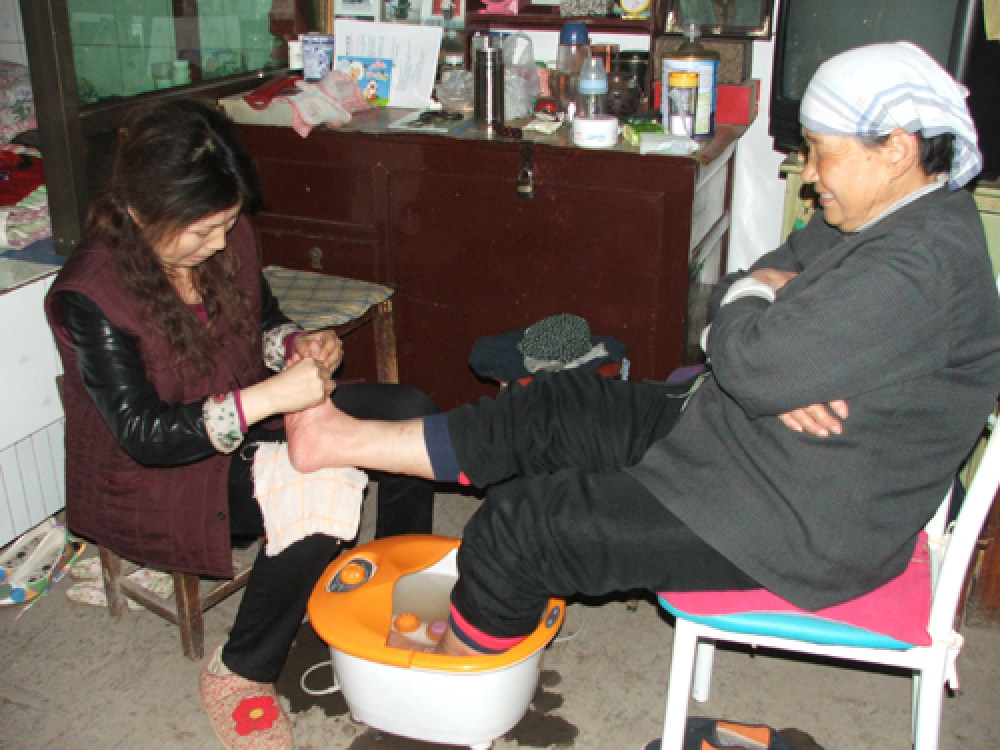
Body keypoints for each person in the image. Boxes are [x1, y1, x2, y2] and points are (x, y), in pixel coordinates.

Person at [285, 39, 1000, 663]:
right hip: (744, 439)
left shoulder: (923, 267)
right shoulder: (879, 215)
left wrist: (762, 342)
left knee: (519, 531)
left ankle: (441, 696)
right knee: (552, 407)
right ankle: (339, 439)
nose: (809, 175)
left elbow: (748, 353)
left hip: (790, 518)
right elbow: (753, 291)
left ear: (897, 148)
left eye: (821, 151)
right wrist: (764, 329)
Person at [44, 98, 438, 750]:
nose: (221, 243)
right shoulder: (93, 293)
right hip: (159, 473)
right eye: (202, 231)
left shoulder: (225, 238)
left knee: (411, 415)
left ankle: (392, 583)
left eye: (228, 224)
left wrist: (299, 344)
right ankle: (239, 671)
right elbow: (143, 435)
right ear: (141, 212)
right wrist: (267, 399)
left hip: (244, 413)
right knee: (320, 489)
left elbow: (262, 319)